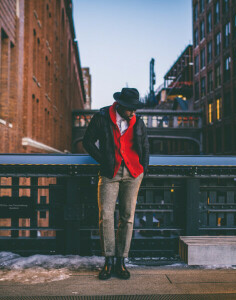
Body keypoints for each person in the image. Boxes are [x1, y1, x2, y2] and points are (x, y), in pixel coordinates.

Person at [83, 87, 149, 280]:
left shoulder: (138, 121)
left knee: (127, 217)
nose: (133, 112)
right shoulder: (102, 117)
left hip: (133, 173)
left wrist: (143, 169)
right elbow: (87, 142)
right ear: (120, 105)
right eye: (130, 108)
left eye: (135, 108)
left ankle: (121, 261)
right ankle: (108, 260)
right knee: (106, 216)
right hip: (109, 173)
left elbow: (145, 146)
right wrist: (104, 160)